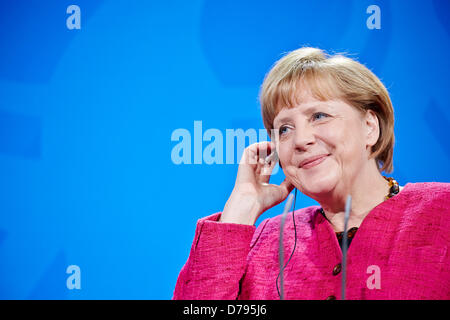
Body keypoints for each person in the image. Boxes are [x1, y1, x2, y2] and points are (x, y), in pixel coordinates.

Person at [173, 47, 450, 300]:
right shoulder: (263, 243)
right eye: (284, 129)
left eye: (319, 116)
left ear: (369, 127)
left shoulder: (441, 211)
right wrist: (242, 208)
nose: (300, 140)